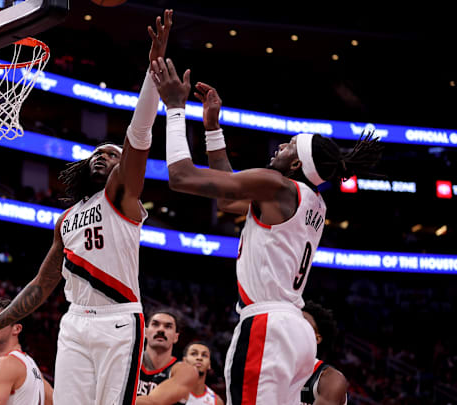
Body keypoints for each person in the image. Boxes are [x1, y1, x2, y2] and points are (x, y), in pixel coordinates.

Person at [0, 10, 173, 405]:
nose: (102, 156)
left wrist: (151, 74)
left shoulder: (122, 197)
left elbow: (138, 134)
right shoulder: (67, 218)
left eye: (111, 155)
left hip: (118, 319)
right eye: (97, 152)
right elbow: (42, 285)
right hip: (75, 322)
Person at [150, 58, 382, 404]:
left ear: (297, 163)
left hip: (267, 325)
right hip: (295, 332)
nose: (279, 147)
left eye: (287, 145)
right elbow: (228, 201)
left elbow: (182, 177)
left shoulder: (278, 186)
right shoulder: (311, 203)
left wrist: (174, 109)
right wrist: (213, 129)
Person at [138, 310, 198, 400]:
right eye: (155, 324)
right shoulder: (127, 361)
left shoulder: (185, 371)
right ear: (145, 332)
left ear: (176, 337)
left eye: (168, 327)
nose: (161, 330)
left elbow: (153, 402)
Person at [301, 301, 348, 405]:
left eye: (303, 321)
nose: (296, 324)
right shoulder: (274, 368)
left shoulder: (330, 379)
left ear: (317, 338)